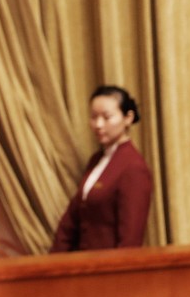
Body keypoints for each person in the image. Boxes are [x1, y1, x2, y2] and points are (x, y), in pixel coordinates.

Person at [50, 85, 153, 252]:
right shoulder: (96, 159)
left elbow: (130, 240)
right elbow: (71, 220)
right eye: (93, 117)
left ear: (128, 118)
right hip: (81, 265)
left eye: (106, 117)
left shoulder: (133, 167)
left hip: (107, 270)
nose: (98, 125)